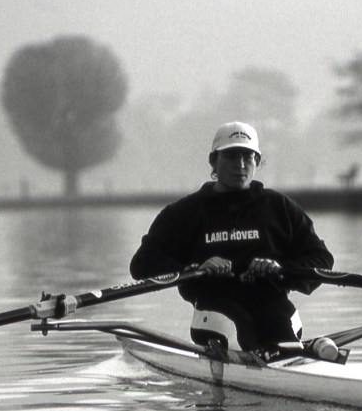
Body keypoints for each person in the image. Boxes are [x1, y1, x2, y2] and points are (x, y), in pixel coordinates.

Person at [130, 121, 334, 353]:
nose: (240, 165)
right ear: (213, 161)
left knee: (282, 331)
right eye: (231, 156)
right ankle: (271, 365)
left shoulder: (280, 207)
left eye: (248, 157)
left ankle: (290, 362)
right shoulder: (184, 212)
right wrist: (193, 268)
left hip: (272, 303)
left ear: (257, 161)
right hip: (213, 306)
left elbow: (321, 259)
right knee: (241, 333)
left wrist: (281, 269)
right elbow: (142, 264)